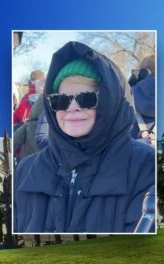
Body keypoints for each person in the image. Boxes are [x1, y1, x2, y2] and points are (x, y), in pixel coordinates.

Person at [13, 41, 154, 233]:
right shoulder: (26, 170)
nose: (72, 107)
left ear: (109, 102)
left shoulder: (144, 165)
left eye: (87, 98)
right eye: (60, 100)